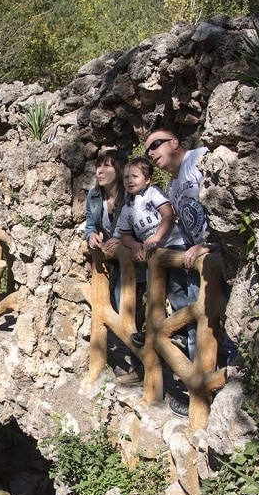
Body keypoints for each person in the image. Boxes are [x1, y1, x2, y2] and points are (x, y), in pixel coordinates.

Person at [144, 128, 234, 416]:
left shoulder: (199, 160)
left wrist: (208, 246)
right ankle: (203, 395)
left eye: (155, 145)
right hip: (200, 263)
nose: (151, 152)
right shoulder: (172, 186)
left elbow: (224, 202)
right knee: (200, 328)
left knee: (226, 328)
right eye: (147, 150)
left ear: (175, 142)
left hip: (223, 258)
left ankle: (220, 397)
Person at [114, 157, 180, 343]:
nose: (129, 180)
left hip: (173, 245)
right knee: (152, 295)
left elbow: (168, 214)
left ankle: (181, 332)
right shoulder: (127, 207)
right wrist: (135, 245)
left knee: (176, 291)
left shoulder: (153, 193)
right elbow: (124, 235)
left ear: (148, 179)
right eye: (126, 177)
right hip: (153, 256)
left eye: (135, 176)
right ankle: (151, 331)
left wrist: (157, 236)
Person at [83, 149, 128, 311]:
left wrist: (123, 238)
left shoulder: (130, 195)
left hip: (134, 258)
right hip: (112, 259)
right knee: (117, 307)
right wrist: (91, 235)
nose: (100, 170)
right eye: (98, 166)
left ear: (119, 169)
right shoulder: (94, 196)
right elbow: (89, 225)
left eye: (107, 166)